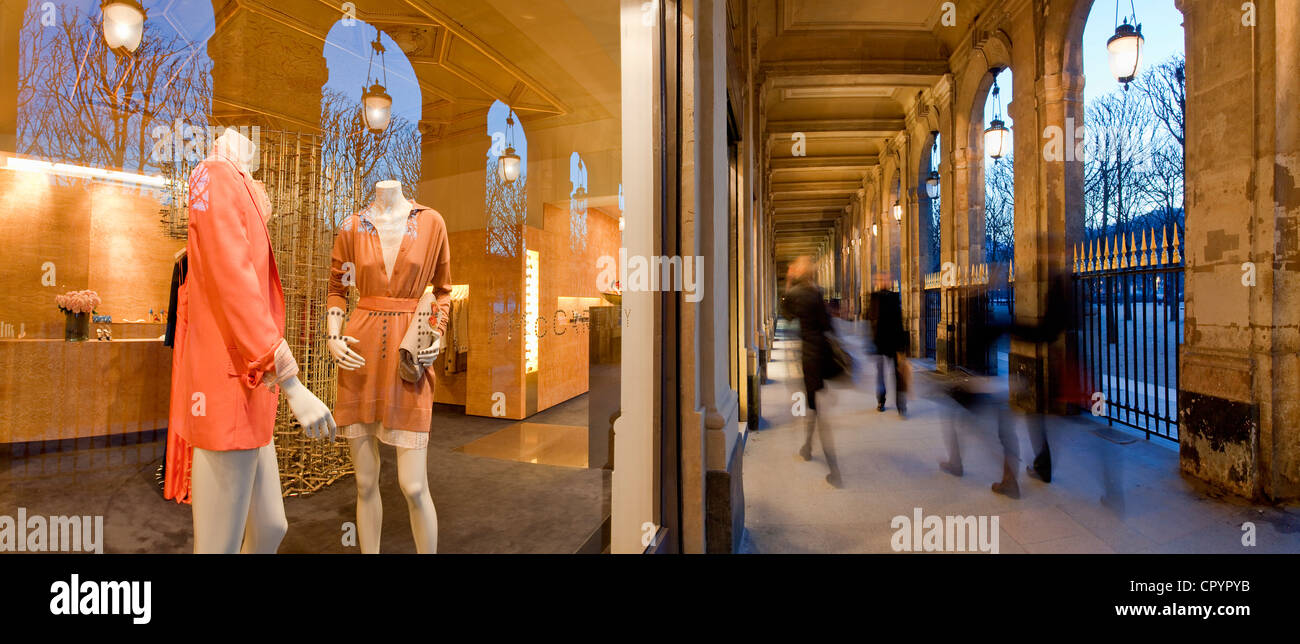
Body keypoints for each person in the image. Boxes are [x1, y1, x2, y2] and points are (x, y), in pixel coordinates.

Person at [780, 256, 842, 488]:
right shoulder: (815, 292)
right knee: (814, 407)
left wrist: (788, 282)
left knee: (817, 409)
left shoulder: (796, 294)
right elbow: (828, 325)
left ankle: (835, 470)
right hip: (822, 352)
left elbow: (785, 313)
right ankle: (807, 447)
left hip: (809, 357)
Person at [868, 273, 908, 416]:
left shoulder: (894, 296)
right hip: (879, 342)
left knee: (898, 374)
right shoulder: (873, 296)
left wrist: (902, 344)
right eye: (880, 279)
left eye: (885, 279)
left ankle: (901, 404)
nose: (883, 281)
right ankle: (881, 400)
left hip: (893, 341)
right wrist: (870, 340)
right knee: (880, 374)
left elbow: (899, 320)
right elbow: (870, 319)